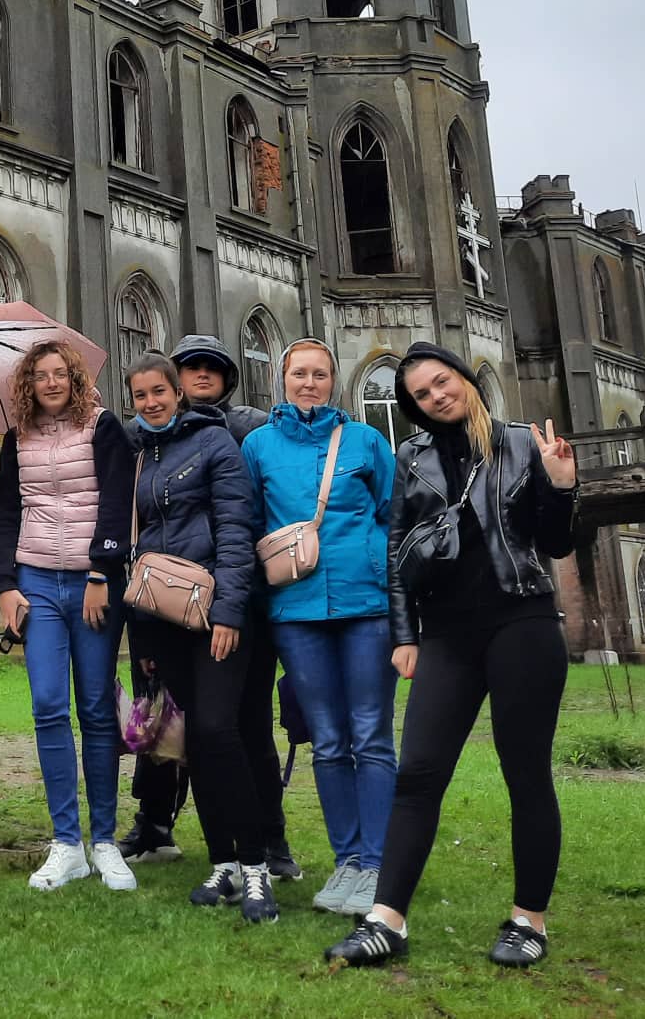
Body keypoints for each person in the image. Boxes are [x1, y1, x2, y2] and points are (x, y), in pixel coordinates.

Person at [327, 343, 578, 971]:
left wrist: (562, 486)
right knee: (418, 774)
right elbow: (396, 555)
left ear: (465, 379)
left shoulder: (523, 442)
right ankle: (387, 920)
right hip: (445, 635)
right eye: (421, 394)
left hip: (521, 620)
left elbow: (556, 543)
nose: (436, 396)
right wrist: (404, 634)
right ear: (412, 407)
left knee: (525, 774)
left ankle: (529, 921)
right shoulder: (411, 459)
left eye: (443, 382)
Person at [94, 354, 275, 922]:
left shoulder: (216, 445)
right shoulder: (136, 452)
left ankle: (256, 869)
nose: (150, 402)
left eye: (159, 392)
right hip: (161, 618)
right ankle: (221, 864)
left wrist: (229, 612)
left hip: (213, 615)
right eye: (140, 395)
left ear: (178, 393)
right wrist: (144, 645)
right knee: (193, 742)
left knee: (222, 732)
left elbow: (235, 531)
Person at [123, 333, 303, 878]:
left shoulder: (241, 429)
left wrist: (230, 604)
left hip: (231, 599)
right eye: (190, 367)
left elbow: (238, 524)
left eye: (211, 369)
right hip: (162, 604)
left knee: (238, 727)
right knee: (160, 720)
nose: (201, 376)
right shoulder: (137, 441)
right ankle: (157, 820)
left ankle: (266, 844)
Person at [241, 337, 396, 918]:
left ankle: (379, 864)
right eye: (299, 374)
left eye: (320, 374)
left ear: (334, 381)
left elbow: (392, 512)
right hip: (297, 612)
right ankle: (348, 860)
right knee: (328, 742)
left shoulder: (365, 441)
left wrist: (375, 562)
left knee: (371, 737)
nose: (310, 383)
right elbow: (251, 521)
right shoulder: (258, 446)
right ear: (283, 379)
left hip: (366, 607)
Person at [0, 341, 135, 891]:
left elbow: (118, 502)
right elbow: (6, 514)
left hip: (92, 583)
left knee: (96, 708)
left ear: (74, 379)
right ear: (29, 384)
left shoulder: (103, 428)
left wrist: (102, 573)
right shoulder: (15, 437)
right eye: (40, 375)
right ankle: (66, 843)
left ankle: (105, 842)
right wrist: (5, 584)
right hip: (37, 584)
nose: (51, 383)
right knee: (49, 706)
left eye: (60, 374)